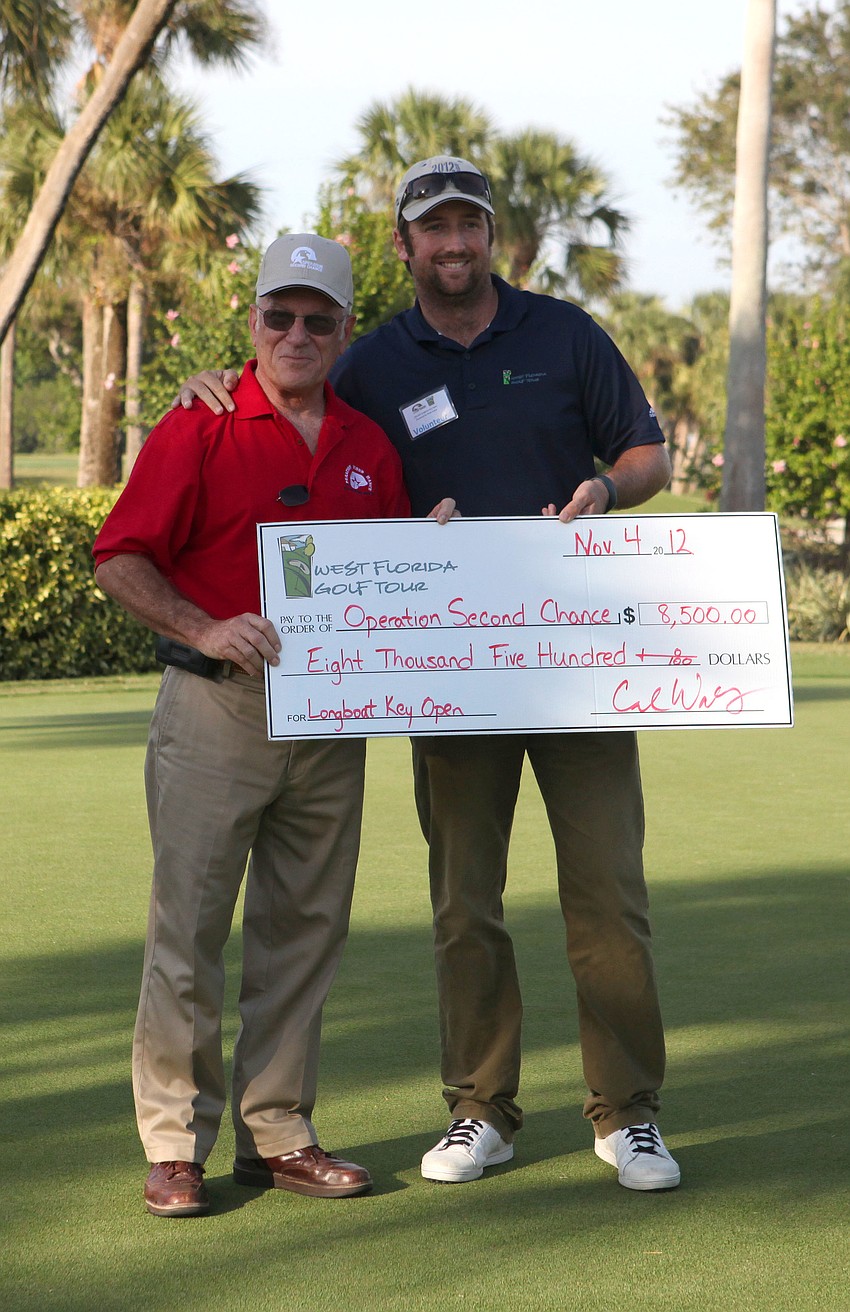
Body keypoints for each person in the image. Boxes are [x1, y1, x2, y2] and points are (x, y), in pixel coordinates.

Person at [175, 159, 680, 1193]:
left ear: (493, 237)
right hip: (446, 671)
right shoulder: (370, 359)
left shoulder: (565, 335)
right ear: (403, 246)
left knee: (607, 895)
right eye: (432, 229)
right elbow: (289, 387)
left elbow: (647, 454)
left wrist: (599, 485)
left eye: (469, 227)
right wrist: (213, 386)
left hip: (571, 656)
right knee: (462, 900)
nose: (453, 245)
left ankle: (626, 1114)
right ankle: (479, 1108)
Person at [94, 233, 453, 1218]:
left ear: (342, 332)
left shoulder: (368, 444)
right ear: (251, 322)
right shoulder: (200, 423)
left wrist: (432, 558)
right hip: (214, 708)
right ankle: (175, 1144)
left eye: (318, 319)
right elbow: (119, 555)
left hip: (330, 725)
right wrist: (204, 624)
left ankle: (279, 1134)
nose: (297, 333)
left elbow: (384, 586)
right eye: (279, 315)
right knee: (190, 931)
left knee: (302, 931)